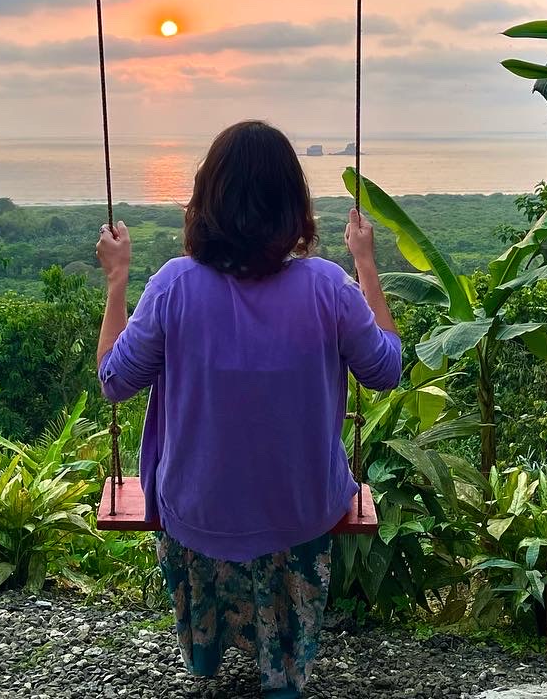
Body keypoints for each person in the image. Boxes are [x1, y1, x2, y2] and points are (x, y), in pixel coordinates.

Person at [95, 120, 402, 698]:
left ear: (205, 202)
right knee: (291, 529)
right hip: (301, 509)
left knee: (200, 517)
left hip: (196, 510)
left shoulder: (174, 285)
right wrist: (366, 264)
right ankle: (282, 673)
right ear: (294, 207)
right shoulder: (328, 286)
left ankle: (206, 654)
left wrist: (117, 280)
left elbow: (114, 381)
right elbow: (385, 370)